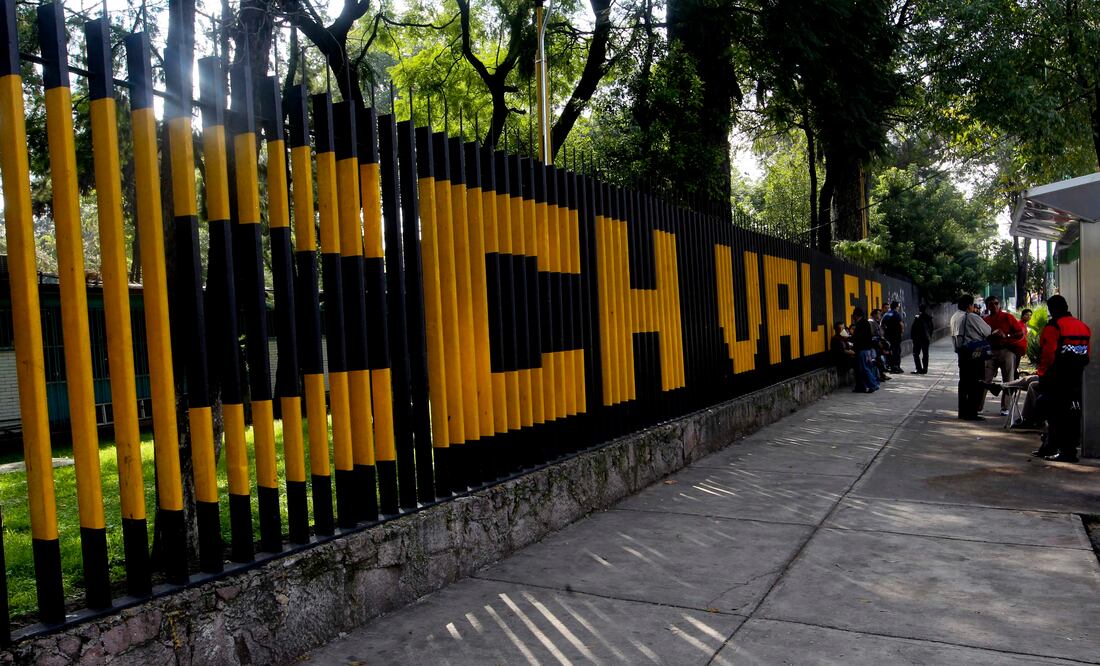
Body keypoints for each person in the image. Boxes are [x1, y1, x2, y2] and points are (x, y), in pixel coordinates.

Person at [1026, 295, 1091, 462]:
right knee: (1071, 413)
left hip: (1056, 377)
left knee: (1055, 415)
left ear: (1052, 309)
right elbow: (1087, 354)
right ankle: (1052, 447)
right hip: (1075, 377)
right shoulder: (1083, 326)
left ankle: (1064, 451)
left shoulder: (1054, 326)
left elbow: (1048, 354)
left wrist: (1043, 374)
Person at [951, 295, 997, 420]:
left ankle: (963, 412)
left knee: (964, 382)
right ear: (969, 306)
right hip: (974, 353)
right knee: (975, 382)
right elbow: (987, 331)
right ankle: (972, 412)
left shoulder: (955, 316)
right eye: (973, 305)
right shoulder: (971, 316)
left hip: (961, 353)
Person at [982, 296, 1025, 416]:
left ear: (999, 304)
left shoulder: (1008, 317)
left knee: (1008, 380)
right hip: (991, 352)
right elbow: (982, 336)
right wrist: (992, 335)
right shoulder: (985, 320)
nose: (994, 306)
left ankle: (1005, 407)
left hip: (1006, 351)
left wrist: (1006, 336)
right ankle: (979, 406)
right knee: (985, 379)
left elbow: (1020, 333)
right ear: (987, 306)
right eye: (991, 304)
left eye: (996, 303)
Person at [850, 308, 879, 393]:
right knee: (866, 368)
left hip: (863, 349)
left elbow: (859, 337)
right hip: (866, 349)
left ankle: (873, 385)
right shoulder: (865, 322)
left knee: (864, 368)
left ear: (856, 315)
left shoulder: (861, 324)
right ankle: (869, 385)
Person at [881, 301, 905, 373]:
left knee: (890, 352)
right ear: (896, 307)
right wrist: (902, 332)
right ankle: (897, 367)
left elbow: (881, 324)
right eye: (898, 306)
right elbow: (901, 324)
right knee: (897, 351)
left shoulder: (886, 314)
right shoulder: (896, 314)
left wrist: (884, 333)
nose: (899, 308)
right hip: (896, 337)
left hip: (888, 337)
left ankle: (892, 367)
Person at [910, 303, 933, 374]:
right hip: (926, 338)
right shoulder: (929, 318)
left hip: (917, 339)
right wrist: (929, 336)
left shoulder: (917, 317)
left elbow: (913, 328)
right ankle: (925, 369)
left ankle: (918, 368)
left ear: (919, 309)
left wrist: (913, 338)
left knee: (916, 353)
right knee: (925, 354)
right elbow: (931, 328)